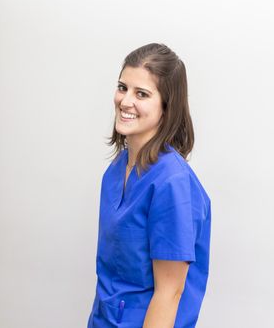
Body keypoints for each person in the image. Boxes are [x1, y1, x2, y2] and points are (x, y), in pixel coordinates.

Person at [87, 43, 211, 328]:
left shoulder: (172, 184)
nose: (125, 101)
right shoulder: (116, 170)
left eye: (141, 94)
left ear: (167, 107)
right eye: (123, 88)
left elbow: (170, 293)